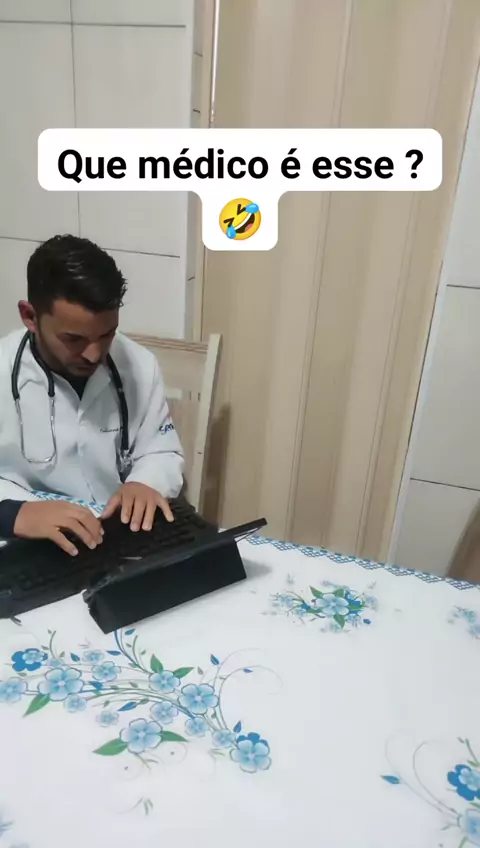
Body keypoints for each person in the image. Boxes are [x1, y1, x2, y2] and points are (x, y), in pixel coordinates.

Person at [0, 234, 184, 556]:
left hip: (110, 538)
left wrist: (145, 482)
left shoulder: (139, 366)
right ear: (30, 317)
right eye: (74, 339)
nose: (94, 354)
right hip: (23, 541)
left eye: (107, 333)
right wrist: (13, 514)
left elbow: (161, 451)